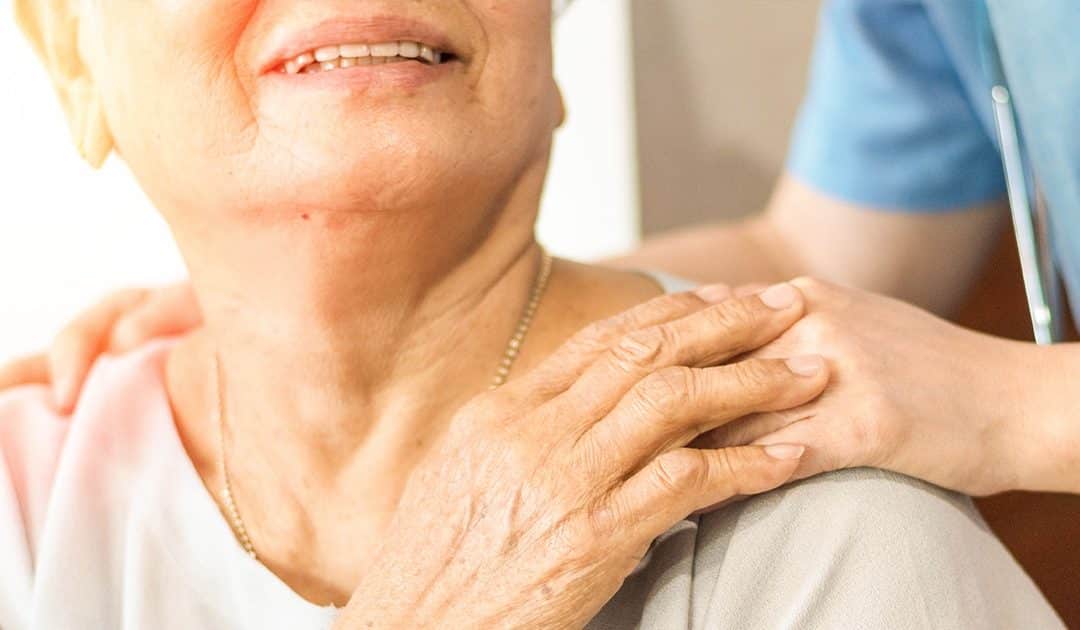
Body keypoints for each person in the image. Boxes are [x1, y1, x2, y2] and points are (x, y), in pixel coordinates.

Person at [3, 0, 1063, 629]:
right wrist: (307, 326)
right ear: (67, 59)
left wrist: (1015, 407)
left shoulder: (842, 546)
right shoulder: (27, 497)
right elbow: (816, 250)